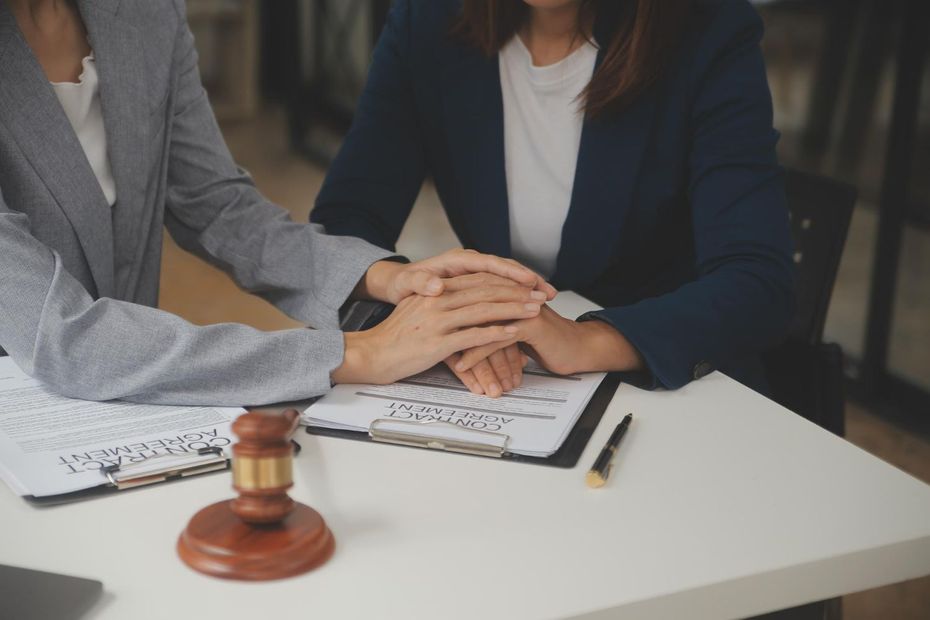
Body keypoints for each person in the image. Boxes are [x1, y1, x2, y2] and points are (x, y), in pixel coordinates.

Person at [0, 0, 556, 406]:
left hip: (135, 399)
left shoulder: (146, 13)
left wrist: (387, 280)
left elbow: (218, 207)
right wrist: (356, 354)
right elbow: (62, 337)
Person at [311, 0, 796, 394]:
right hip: (502, 384)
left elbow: (757, 280)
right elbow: (346, 223)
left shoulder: (707, 28)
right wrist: (439, 323)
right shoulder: (429, 21)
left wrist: (586, 339)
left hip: (665, 382)